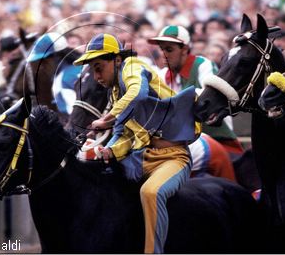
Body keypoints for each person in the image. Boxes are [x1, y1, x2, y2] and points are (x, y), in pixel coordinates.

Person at [73, 33, 199, 253]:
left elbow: (138, 94)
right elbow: (123, 136)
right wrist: (105, 151)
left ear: (117, 60)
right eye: (93, 70)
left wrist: (107, 118)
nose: (96, 76)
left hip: (174, 158)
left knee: (150, 193)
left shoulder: (132, 66)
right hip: (141, 158)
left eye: (99, 67)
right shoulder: (114, 93)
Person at [148, 26, 243, 156]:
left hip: (218, 140)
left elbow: (207, 97)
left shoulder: (202, 64)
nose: (163, 54)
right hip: (181, 142)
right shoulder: (162, 74)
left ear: (185, 49)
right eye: (161, 49)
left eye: (169, 49)